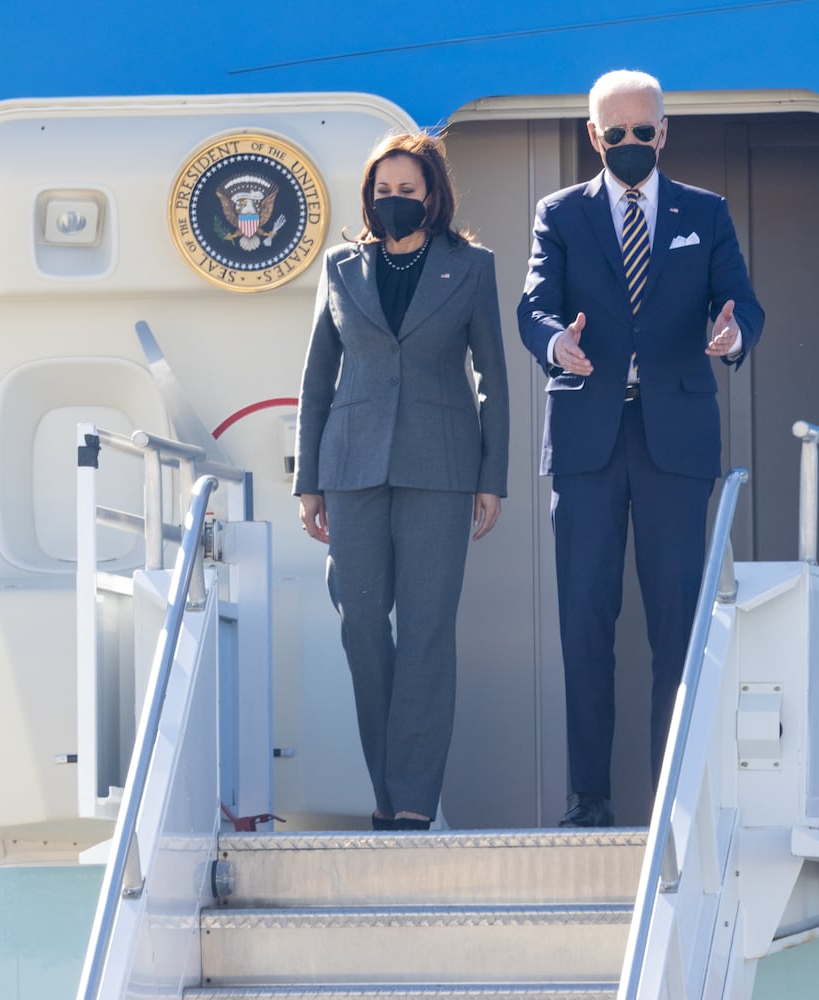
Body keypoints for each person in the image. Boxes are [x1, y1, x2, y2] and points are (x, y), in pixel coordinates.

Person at [517, 70, 765, 828]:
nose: (630, 144)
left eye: (642, 131)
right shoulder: (559, 213)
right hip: (590, 439)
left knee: (675, 622)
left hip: (674, 442)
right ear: (593, 136)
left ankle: (669, 798)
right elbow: (533, 306)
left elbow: (744, 305)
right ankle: (587, 799)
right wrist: (558, 343)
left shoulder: (705, 212)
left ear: (664, 130)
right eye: (614, 133)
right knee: (584, 622)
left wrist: (731, 336)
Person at [294, 132, 508, 832]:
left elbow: (493, 381)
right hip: (350, 469)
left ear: (432, 196)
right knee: (360, 626)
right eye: (382, 191)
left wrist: (491, 478)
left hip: (440, 472)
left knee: (425, 631)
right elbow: (315, 380)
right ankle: (384, 789)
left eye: (405, 191)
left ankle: (409, 803)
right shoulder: (340, 267)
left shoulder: (471, 267)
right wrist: (309, 481)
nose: (392, 202)